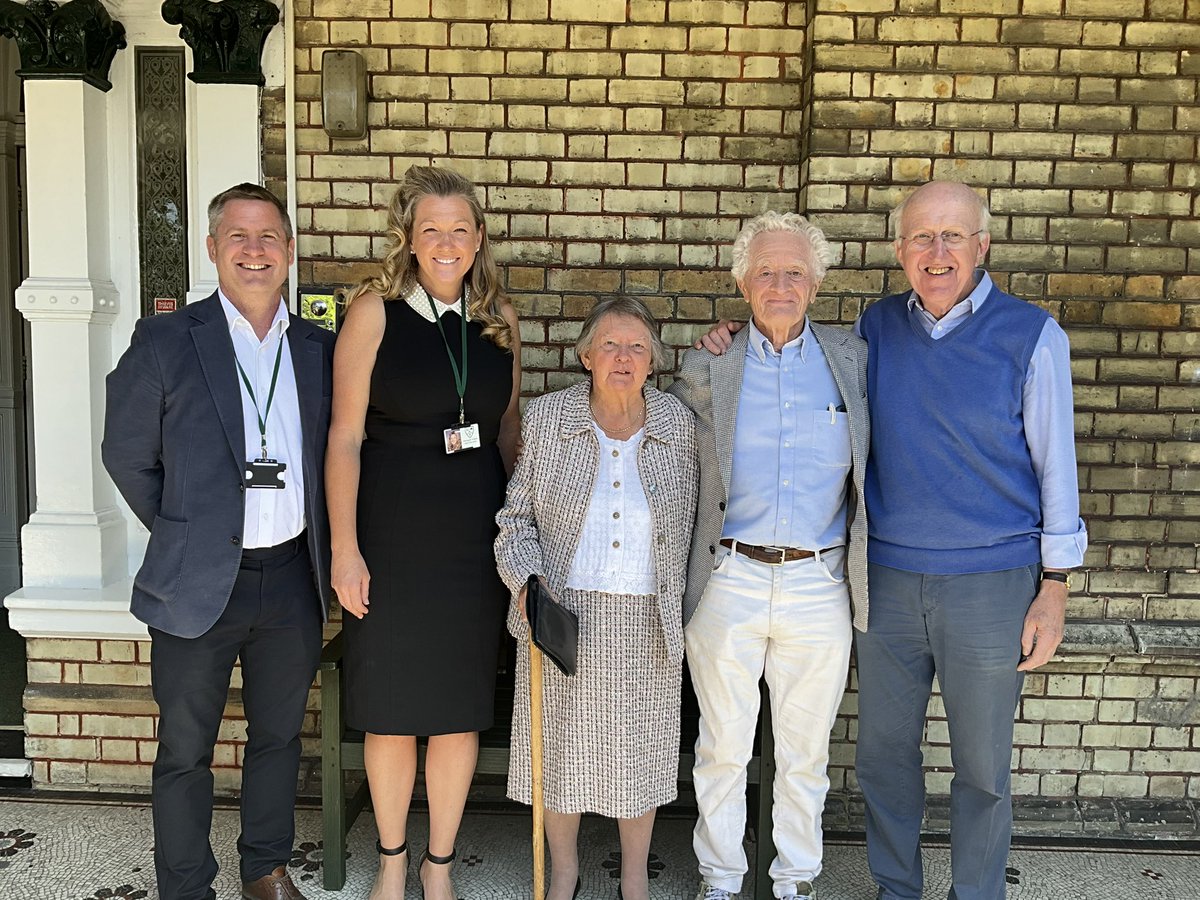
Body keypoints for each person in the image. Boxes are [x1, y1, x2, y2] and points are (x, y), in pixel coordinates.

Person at [698, 182, 1086, 900]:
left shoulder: (1032, 335)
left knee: (980, 765)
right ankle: (896, 889)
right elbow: (779, 348)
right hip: (884, 582)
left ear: (982, 245)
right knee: (881, 757)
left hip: (992, 582)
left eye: (953, 236)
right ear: (900, 250)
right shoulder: (875, 330)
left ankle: (976, 893)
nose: (937, 252)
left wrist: (1055, 586)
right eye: (921, 238)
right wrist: (725, 339)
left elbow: (1056, 465)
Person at [102, 183, 335, 900]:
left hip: (293, 578)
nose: (255, 251)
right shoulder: (167, 339)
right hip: (196, 580)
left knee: (277, 739)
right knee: (184, 750)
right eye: (238, 236)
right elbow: (126, 455)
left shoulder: (320, 348)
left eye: (269, 237)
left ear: (291, 252)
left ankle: (264, 869)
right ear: (212, 249)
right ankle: (184, 886)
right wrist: (187, 534)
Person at [325, 165, 521, 900]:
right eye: (430, 229)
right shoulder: (374, 311)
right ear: (407, 237)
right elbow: (343, 437)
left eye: (459, 229)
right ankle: (393, 862)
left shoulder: (499, 317)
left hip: (473, 539)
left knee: (457, 708)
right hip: (392, 536)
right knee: (392, 708)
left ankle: (438, 868)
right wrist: (346, 549)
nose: (446, 243)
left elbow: (509, 437)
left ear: (477, 241)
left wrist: (521, 540)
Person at [669, 212, 870, 900]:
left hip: (821, 581)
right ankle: (721, 880)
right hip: (728, 579)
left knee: (804, 756)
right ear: (742, 283)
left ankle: (795, 881)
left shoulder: (855, 360)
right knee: (722, 749)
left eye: (793, 272)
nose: (779, 284)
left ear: (815, 283)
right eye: (765, 272)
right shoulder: (707, 364)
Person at [494, 296, 698, 900]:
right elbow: (516, 520)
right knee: (558, 755)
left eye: (637, 347)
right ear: (585, 355)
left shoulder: (678, 427)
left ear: (653, 363)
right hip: (562, 613)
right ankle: (564, 872)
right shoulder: (550, 419)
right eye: (610, 344)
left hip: (648, 618)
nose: (623, 357)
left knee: (641, 754)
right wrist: (527, 587)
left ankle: (634, 876)